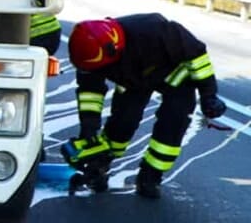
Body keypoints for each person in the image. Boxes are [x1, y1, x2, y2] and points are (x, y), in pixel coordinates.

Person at [64, 13, 227, 199]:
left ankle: (150, 176)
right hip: (133, 81)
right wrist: (89, 128)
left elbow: (197, 56)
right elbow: (89, 93)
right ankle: (100, 165)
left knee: (172, 126)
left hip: (175, 77)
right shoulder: (87, 55)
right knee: (121, 124)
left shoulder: (155, 30)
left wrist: (208, 95)